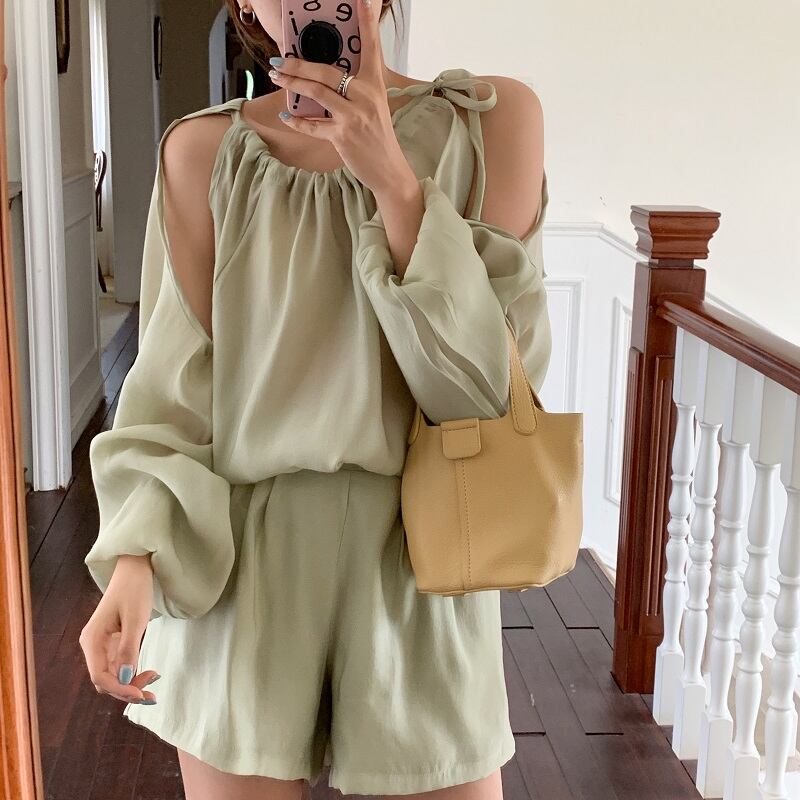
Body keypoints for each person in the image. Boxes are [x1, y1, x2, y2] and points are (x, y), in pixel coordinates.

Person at [79, 0, 551, 797]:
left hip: (424, 559)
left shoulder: (493, 124)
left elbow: (487, 395)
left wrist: (393, 180)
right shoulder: (202, 153)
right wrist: (136, 558)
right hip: (243, 571)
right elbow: (172, 399)